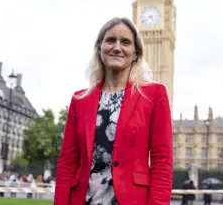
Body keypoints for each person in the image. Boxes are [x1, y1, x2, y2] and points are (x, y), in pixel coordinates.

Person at [54, 17, 173, 205]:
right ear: (100, 49)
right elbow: (67, 162)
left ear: (135, 53)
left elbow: (162, 162)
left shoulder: (154, 95)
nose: (117, 47)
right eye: (110, 40)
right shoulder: (80, 100)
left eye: (125, 42)